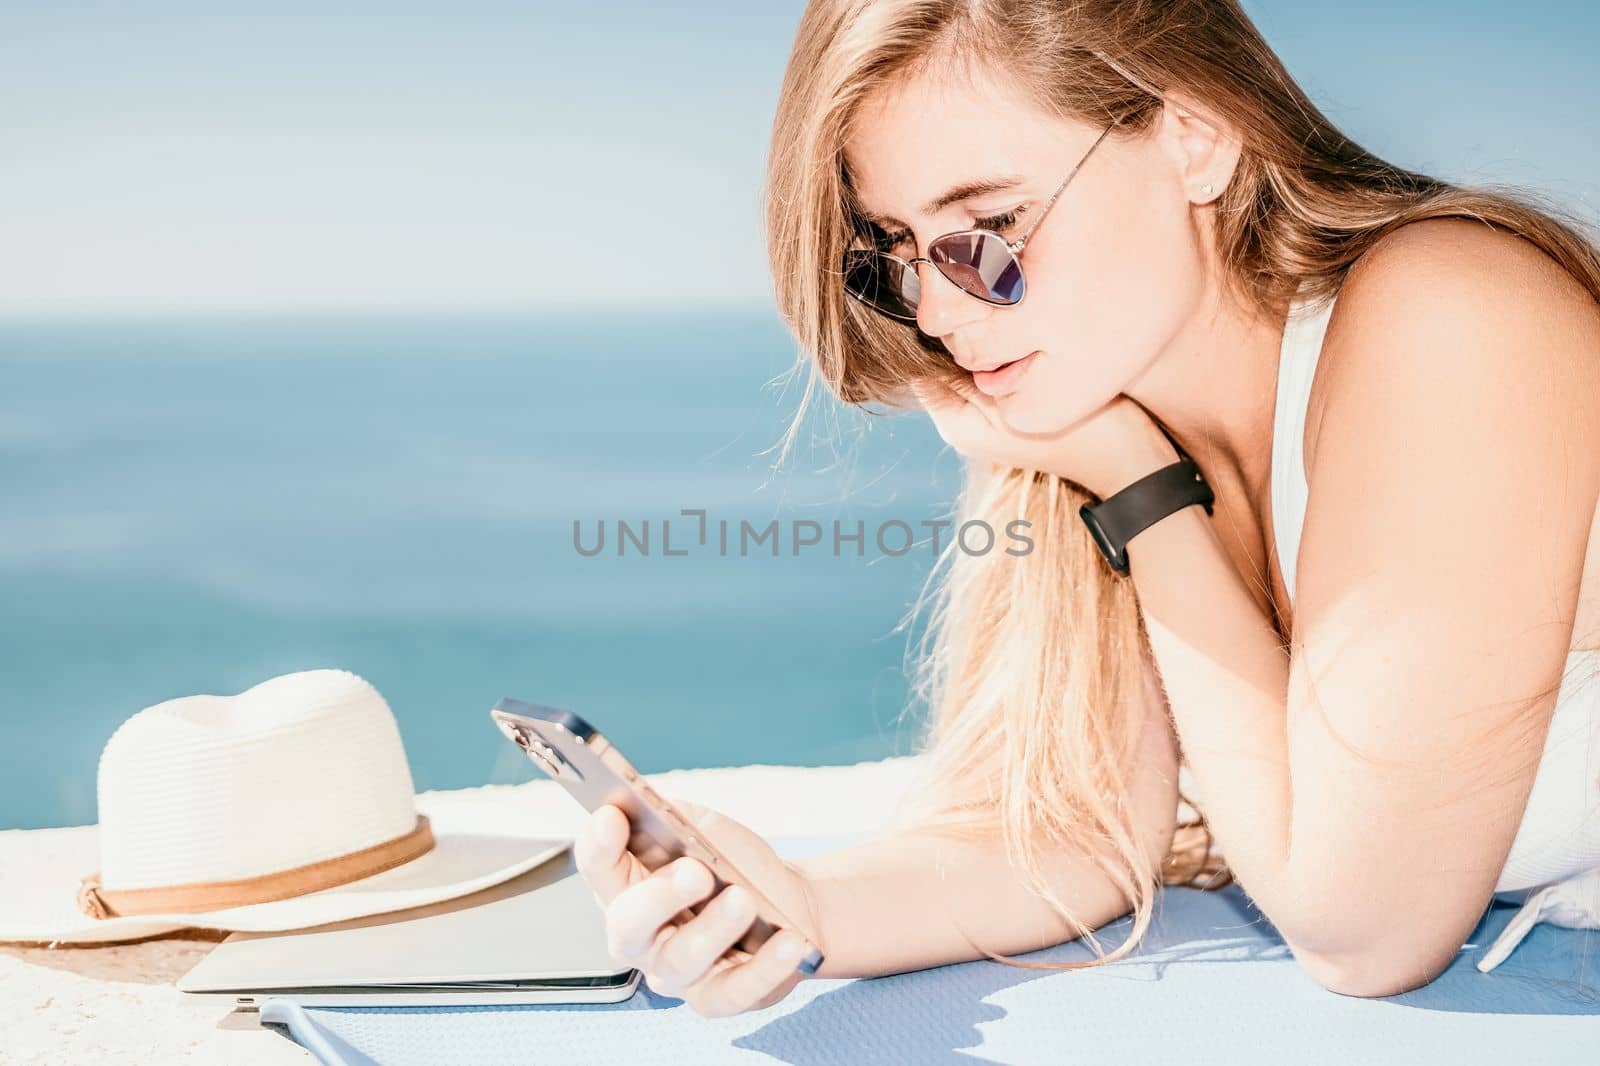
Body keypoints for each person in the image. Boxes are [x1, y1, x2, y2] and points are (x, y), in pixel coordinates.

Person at [575, 0, 1600, 1017]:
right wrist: (799, 905)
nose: (937, 310)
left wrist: (1139, 491)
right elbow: (1074, 833)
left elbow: (1365, 928)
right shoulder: (1094, 401)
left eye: (989, 229)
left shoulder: (1453, 315)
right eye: (897, 247)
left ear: (1194, 138)